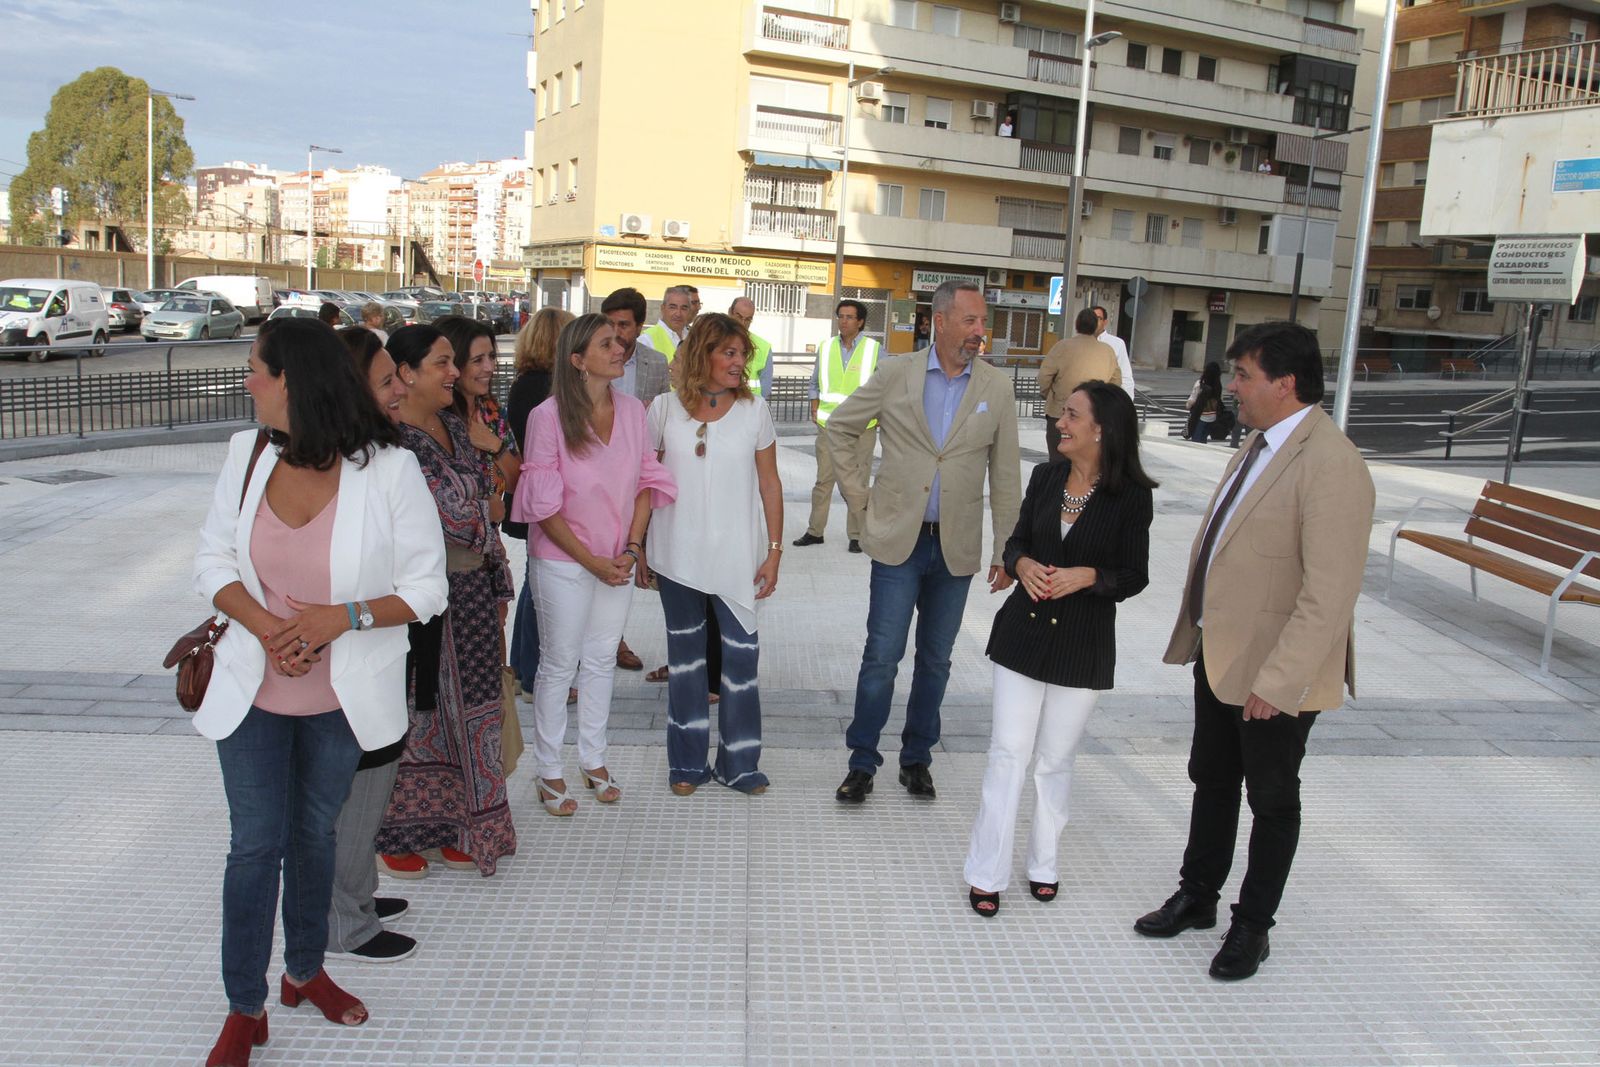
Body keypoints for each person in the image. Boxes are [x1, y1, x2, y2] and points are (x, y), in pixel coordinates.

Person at [191, 317, 447, 1065]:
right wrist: (269, 627)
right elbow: (212, 563)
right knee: (255, 845)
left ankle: (304, 971)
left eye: (255, 370)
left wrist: (344, 618)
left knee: (314, 837)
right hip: (252, 689)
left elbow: (426, 587)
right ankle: (246, 1004)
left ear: (293, 382)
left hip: (342, 696)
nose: (247, 382)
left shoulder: (388, 469)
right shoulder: (245, 455)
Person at [1134, 321, 1375, 981]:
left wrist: (1282, 680)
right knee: (1212, 778)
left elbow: (1329, 594)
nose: (1231, 387)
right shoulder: (1259, 443)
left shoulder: (1333, 463)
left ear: (1285, 382)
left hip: (1275, 675)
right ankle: (1199, 895)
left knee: (1272, 800)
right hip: (1224, 653)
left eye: (1244, 376)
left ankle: (1252, 926)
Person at [963, 381, 1155, 917]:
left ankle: (1044, 863)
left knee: (1055, 761)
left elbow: (1134, 575)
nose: (1059, 423)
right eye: (1061, 414)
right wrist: (1020, 563)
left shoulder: (1132, 495)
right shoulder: (1047, 476)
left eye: (1071, 415)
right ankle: (986, 872)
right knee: (1008, 754)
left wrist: (1089, 576)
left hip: (1082, 646)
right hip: (1021, 636)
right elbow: (1019, 540)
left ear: (1102, 429)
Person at [829, 280, 1022, 803]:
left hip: (955, 547)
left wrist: (1008, 549)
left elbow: (1005, 477)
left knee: (936, 661)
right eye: (971, 321)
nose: (980, 332)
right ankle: (862, 762)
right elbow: (840, 427)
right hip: (898, 541)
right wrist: (860, 498)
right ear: (938, 321)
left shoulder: (996, 389)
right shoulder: (896, 374)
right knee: (881, 657)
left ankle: (917, 758)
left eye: (983, 323)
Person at [512, 314, 675, 815]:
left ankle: (593, 758)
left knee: (601, 658)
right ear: (577, 359)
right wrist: (593, 562)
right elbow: (544, 507)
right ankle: (549, 769)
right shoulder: (548, 415)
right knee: (560, 663)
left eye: (619, 340)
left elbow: (647, 483)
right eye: (606, 343)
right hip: (564, 559)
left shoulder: (631, 412)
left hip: (616, 559)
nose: (620, 347)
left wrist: (629, 549)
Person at [376, 324, 518, 878]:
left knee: (476, 714)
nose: (456, 373)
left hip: (474, 594)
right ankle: (403, 830)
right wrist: (483, 506)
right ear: (405, 374)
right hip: (419, 601)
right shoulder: (388, 441)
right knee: (420, 715)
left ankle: (459, 825)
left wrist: (495, 569)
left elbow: (485, 503)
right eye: (443, 364)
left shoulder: (457, 426)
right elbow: (459, 513)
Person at [313, 327, 423, 966]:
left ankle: (355, 894)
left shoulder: (385, 457)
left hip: (377, 648)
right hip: (334, 661)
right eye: (387, 380)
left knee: (370, 782)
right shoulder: (293, 462)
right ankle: (346, 922)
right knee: (348, 791)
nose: (401, 386)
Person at [644, 313, 784, 795]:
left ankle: (739, 765)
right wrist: (637, 545)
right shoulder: (662, 409)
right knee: (685, 665)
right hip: (676, 554)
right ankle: (686, 766)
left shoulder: (755, 410)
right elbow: (645, 482)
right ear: (702, 353)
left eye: (741, 353)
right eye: (728, 352)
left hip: (738, 558)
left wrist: (774, 551)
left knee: (740, 665)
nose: (738, 361)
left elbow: (770, 483)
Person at [601, 286, 670, 677]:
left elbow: (662, 424)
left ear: (639, 326)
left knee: (644, 561)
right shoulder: (593, 358)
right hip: (600, 481)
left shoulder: (656, 363)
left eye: (623, 325)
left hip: (640, 478)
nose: (616, 333)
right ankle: (614, 639)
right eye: (609, 323)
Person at [505, 307, 574, 695]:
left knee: (536, 584)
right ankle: (531, 673)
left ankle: (521, 668)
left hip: (531, 496)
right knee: (540, 590)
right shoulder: (546, 388)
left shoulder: (523, 384)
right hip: (547, 500)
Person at [793, 300, 881, 553]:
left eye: (850, 317)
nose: (844, 321)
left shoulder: (874, 350)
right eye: (841, 316)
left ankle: (857, 535)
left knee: (858, 482)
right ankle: (815, 531)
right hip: (828, 427)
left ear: (860, 321)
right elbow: (815, 382)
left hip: (862, 429)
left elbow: (885, 386)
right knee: (823, 481)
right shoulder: (827, 347)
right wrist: (813, 406)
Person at [1038, 309, 1121, 460]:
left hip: (1060, 412)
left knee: (1058, 461)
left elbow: (1044, 376)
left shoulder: (1062, 346)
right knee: (1087, 463)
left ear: (1077, 325)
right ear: (1096, 325)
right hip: (1094, 416)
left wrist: (1047, 394)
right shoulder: (1107, 351)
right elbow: (1116, 383)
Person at [727, 296, 774, 398]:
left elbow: (765, 388)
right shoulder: (714, 340)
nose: (742, 323)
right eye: (739, 316)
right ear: (730, 312)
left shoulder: (763, 347)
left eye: (748, 319)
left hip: (751, 406)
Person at [1091, 305, 1135, 400]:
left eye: (1098, 318)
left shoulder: (1117, 343)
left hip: (1106, 398)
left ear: (1105, 322)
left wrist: (1128, 400)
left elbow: (1125, 374)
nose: (1094, 321)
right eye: (1092, 318)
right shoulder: (1079, 342)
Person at [639, 285, 693, 359]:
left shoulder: (694, 338)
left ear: (689, 311)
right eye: (673, 307)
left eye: (684, 308)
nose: (678, 313)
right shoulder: (646, 340)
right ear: (662, 308)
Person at [1185, 361, 1226, 443]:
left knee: (1196, 440)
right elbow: (1219, 400)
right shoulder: (1218, 386)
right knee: (1203, 440)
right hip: (1212, 418)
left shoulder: (1200, 384)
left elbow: (1192, 400)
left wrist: (1188, 405)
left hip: (1200, 417)